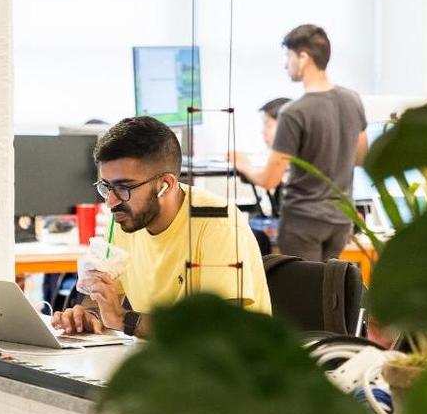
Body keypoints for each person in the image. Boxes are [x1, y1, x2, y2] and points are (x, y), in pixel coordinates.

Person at [52, 116, 272, 338]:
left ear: (165, 185)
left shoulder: (217, 222)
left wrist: (122, 319)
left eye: (124, 187)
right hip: (164, 361)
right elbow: (103, 295)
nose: (111, 200)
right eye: (106, 187)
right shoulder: (125, 218)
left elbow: (215, 330)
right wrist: (90, 314)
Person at [231, 24, 368, 262]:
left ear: (303, 57)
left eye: (288, 56)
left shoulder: (294, 112)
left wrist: (241, 164)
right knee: (328, 291)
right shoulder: (352, 99)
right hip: (340, 221)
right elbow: (361, 155)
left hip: (304, 222)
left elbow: (269, 179)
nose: (286, 64)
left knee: (303, 294)